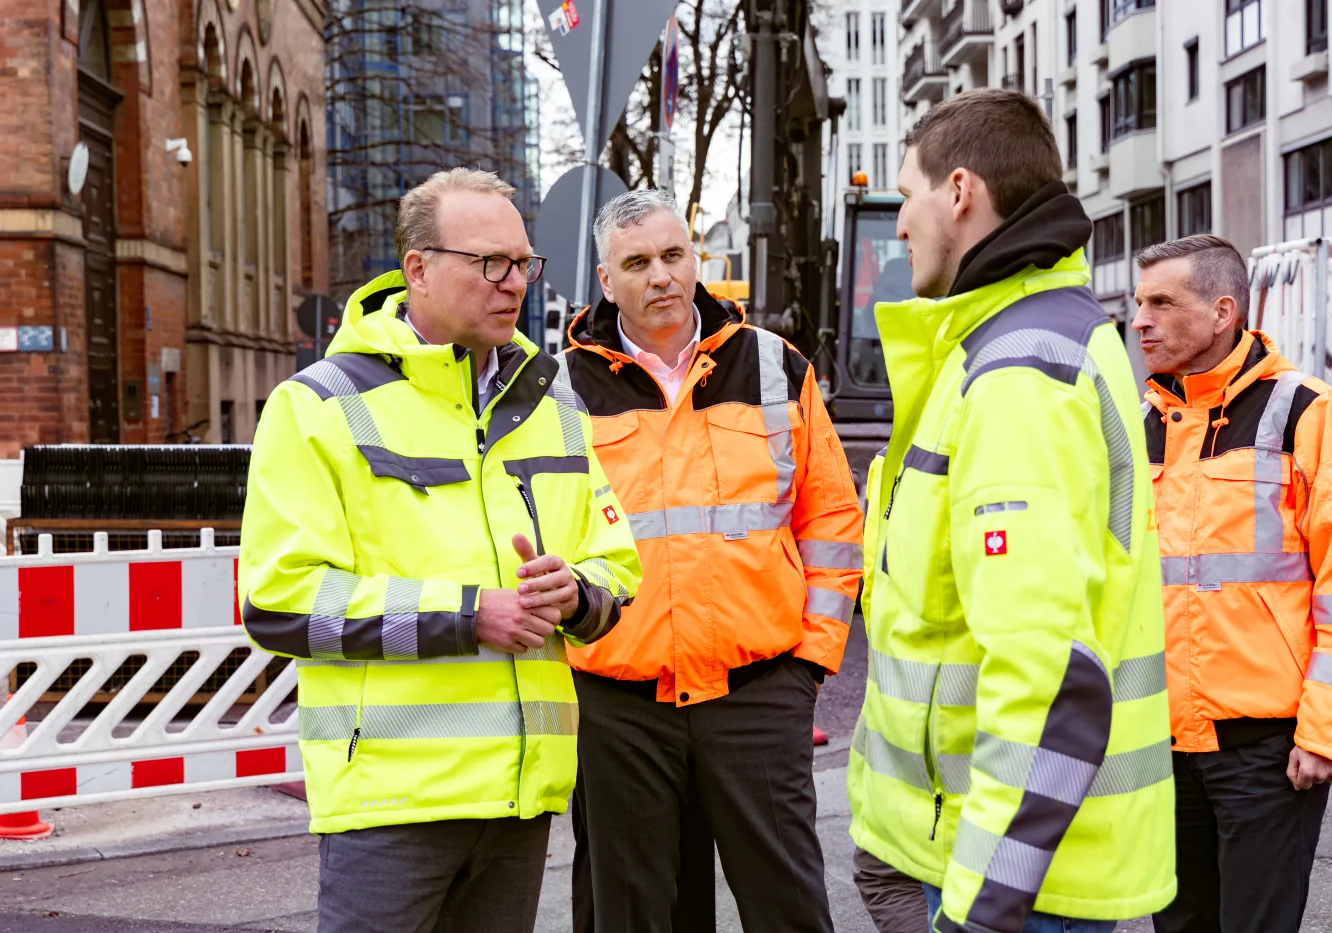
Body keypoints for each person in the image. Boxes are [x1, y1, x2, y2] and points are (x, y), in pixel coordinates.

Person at [237, 167, 642, 933]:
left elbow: (615, 564)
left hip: (520, 799)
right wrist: (467, 615)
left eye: (523, 263)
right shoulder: (318, 405)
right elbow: (279, 601)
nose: (513, 283)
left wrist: (576, 594)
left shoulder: (553, 402)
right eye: (489, 262)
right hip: (392, 802)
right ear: (417, 269)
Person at [849, 87, 1176, 933]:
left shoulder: (1018, 372)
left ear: (959, 191)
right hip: (1022, 860)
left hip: (1015, 884)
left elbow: (1045, 669)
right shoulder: (1031, 339)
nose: (901, 223)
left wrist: (984, 906)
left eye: (908, 195)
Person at [560, 187, 863, 933]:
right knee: (632, 915)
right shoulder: (561, 388)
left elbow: (830, 520)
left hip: (758, 692)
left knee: (789, 910)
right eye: (637, 262)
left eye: (673, 254)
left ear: (696, 260)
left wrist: (809, 664)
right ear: (606, 281)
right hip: (619, 706)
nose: (661, 275)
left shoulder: (776, 367)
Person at [1133, 234, 1332, 933]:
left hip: (1267, 750)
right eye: (1139, 303)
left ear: (1223, 311)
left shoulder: (1308, 412)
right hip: (1162, 742)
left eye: (1162, 303)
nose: (1140, 321)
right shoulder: (1141, 426)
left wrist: (1328, 731)